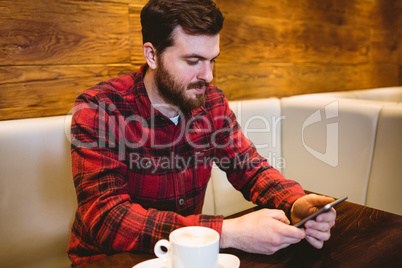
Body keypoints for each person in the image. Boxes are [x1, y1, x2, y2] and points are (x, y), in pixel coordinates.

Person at [67, 0, 336, 266]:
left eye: (211, 60)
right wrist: (227, 232)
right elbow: (105, 217)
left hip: (190, 257)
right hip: (110, 260)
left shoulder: (211, 102)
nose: (207, 76)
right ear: (152, 55)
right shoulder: (99, 108)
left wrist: (295, 201)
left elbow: (248, 166)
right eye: (194, 61)